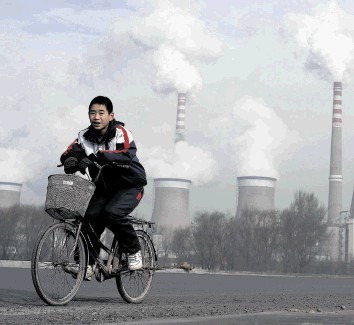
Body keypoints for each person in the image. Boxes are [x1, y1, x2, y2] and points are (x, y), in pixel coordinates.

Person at [60, 96, 147, 278]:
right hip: (104, 188)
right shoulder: (84, 136)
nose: (96, 117)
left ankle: (134, 251)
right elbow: (71, 151)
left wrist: (97, 156)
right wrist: (71, 160)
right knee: (88, 217)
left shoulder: (121, 132)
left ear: (111, 115)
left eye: (101, 113)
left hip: (130, 185)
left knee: (113, 214)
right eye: (92, 113)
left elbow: (126, 154)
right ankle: (88, 264)